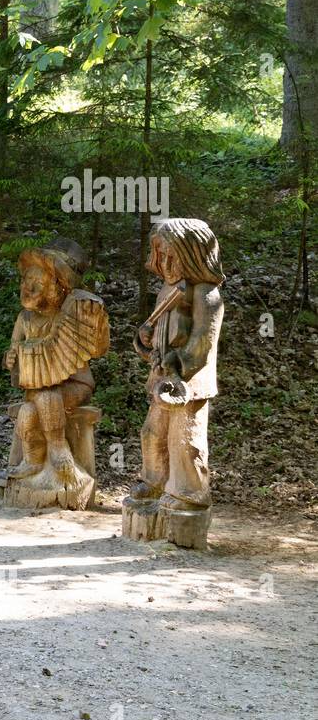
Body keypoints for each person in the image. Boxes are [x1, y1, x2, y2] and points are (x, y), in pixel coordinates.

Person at [130, 218, 225, 512]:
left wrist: (179, 361)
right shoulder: (166, 292)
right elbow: (158, 342)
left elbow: (202, 342)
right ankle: (154, 481)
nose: (166, 263)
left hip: (190, 384)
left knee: (184, 438)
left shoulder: (206, 294)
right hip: (163, 379)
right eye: (161, 256)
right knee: (152, 432)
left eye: (172, 255)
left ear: (193, 254)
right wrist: (144, 340)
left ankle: (188, 493)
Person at [4, 238, 109, 490]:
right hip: (36, 390)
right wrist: (11, 358)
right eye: (25, 281)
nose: (27, 288)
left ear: (58, 287)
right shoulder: (24, 319)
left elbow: (97, 348)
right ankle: (33, 459)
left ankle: (59, 450)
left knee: (47, 397)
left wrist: (95, 324)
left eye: (37, 283)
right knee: (28, 413)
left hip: (75, 386)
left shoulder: (72, 313)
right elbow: (13, 351)